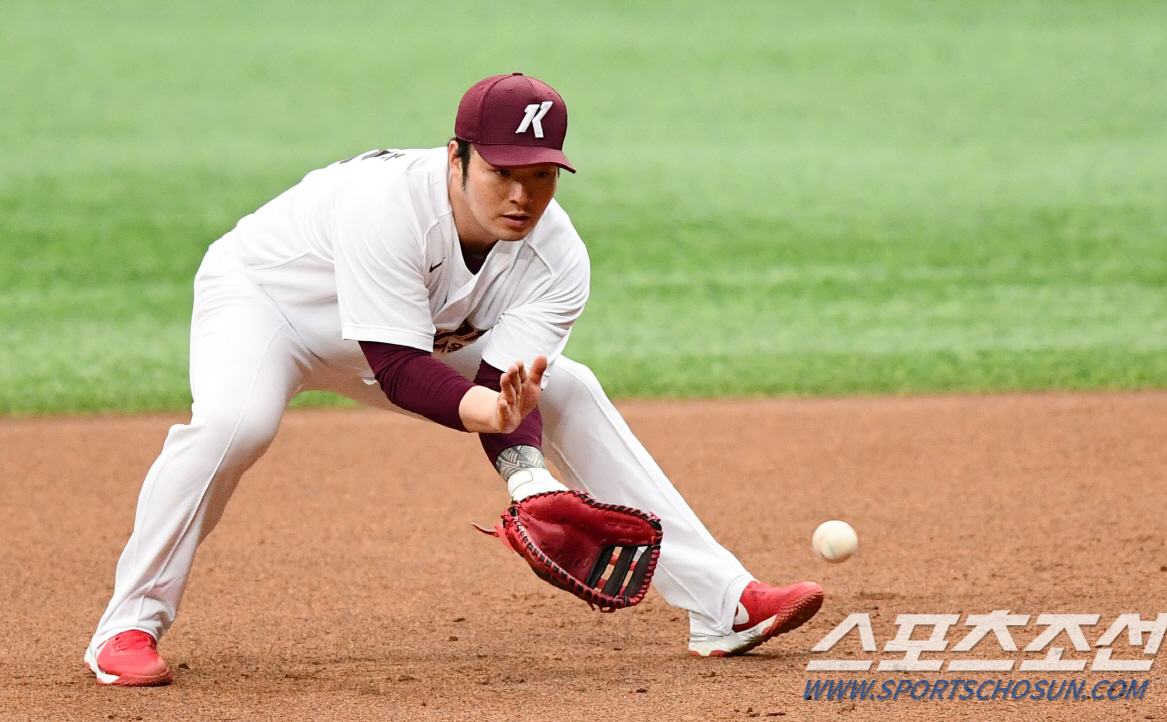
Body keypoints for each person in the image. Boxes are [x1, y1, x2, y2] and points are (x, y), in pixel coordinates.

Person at [84, 73, 824, 686]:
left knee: (571, 387)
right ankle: (125, 628)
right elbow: (401, 372)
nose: (522, 197)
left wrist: (529, 480)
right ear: (456, 157)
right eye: (503, 172)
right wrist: (493, 420)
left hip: (402, 335)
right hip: (272, 305)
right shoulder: (388, 208)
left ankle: (724, 604)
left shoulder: (558, 258)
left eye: (541, 177)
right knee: (234, 423)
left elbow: (510, 385)